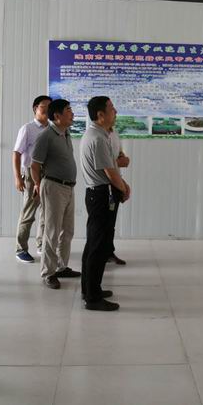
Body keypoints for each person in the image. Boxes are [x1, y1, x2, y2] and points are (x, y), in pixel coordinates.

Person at [80, 96, 130, 311]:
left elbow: (113, 167)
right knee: (98, 246)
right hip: (101, 195)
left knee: (95, 244)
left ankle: (91, 290)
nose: (115, 111)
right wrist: (123, 188)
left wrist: (123, 185)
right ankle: (93, 298)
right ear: (100, 114)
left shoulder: (99, 134)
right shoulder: (98, 138)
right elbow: (110, 172)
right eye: (111, 108)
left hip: (99, 193)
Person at [31, 99, 81, 289]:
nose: (72, 113)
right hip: (53, 187)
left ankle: (61, 267)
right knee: (52, 231)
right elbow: (34, 165)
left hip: (68, 187)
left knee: (67, 230)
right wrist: (37, 185)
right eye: (68, 110)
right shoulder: (46, 136)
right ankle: (48, 273)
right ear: (57, 116)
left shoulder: (65, 133)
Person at [12, 95, 51, 263]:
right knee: (28, 212)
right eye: (43, 106)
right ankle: (21, 249)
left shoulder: (52, 129)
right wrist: (17, 178)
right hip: (30, 173)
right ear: (35, 108)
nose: (47, 109)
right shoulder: (27, 129)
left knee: (46, 212)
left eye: (50, 106)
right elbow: (16, 153)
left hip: (49, 173)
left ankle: (41, 245)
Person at [107, 124, 129, 265]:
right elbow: (104, 164)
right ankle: (98, 256)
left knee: (111, 222)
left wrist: (122, 158)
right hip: (104, 186)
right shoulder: (97, 136)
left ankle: (108, 252)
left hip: (115, 182)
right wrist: (122, 187)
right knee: (101, 224)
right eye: (113, 112)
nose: (115, 114)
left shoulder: (114, 132)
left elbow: (119, 154)